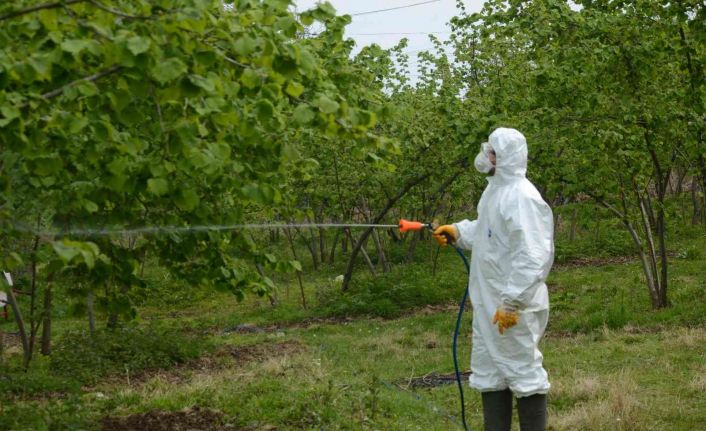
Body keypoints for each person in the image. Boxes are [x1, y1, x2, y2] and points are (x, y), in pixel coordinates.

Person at [433, 128, 554, 431]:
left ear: (503, 158)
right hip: (490, 303)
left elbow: (534, 256)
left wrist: (512, 303)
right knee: (490, 373)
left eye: (491, 152)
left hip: (513, 307)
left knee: (523, 372)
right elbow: (488, 231)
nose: (485, 156)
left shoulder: (522, 197)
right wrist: (459, 232)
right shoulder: (495, 191)